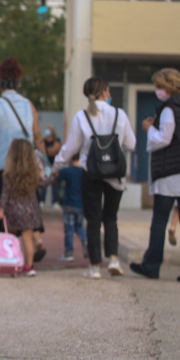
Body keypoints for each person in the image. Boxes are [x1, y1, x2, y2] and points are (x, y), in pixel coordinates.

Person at [130, 69, 180, 283]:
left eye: (159, 87)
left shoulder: (170, 109)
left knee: (160, 220)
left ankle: (151, 265)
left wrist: (148, 128)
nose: (157, 91)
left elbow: (164, 138)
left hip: (171, 174)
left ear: (170, 86)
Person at [56, 77, 136, 279]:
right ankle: (114, 259)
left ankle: (94, 266)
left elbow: (71, 148)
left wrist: (55, 165)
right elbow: (131, 143)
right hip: (115, 174)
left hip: (90, 172)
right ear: (105, 92)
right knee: (111, 217)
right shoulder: (119, 114)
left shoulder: (82, 117)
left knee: (93, 219)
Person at [0, 57, 47, 262]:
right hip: (26, 167)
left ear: (0, 83)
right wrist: (45, 164)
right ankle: (31, 241)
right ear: (18, 82)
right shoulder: (28, 105)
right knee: (27, 206)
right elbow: (37, 136)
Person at [0, 139, 45, 276]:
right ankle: (29, 267)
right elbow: (43, 183)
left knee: (10, 238)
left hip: (13, 210)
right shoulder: (34, 173)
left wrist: (0, 210)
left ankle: (10, 262)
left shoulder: (9, 174)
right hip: (31, 210)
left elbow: (5, 194)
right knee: (27, 238)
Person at [53, 157, 87, 261]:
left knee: (69, 228)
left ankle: (69, 252)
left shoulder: (67, 170)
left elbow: (56, 179)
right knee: (79, 226)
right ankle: (85, 240)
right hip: (81, 204)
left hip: (69, 203)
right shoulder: (84, 172)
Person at [43, 125, 63, 208]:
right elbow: (42, 150)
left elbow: (56, 150)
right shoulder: (43, 140)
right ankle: (41, 200)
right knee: (44, 182)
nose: (47, 130)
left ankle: (55, 201)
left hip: (55, 165)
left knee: (55, 182)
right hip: (46, 165)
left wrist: (47, 151)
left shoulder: (57, 140)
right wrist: (50, 151)